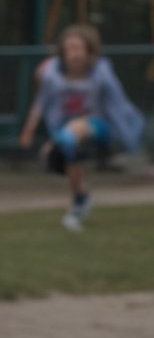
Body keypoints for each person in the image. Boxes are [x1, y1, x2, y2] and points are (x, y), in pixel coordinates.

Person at [19, 23, 145, 231]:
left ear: (88, 50)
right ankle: (80, 200)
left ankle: (104, 157)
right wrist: (28, 130)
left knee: (71, 133)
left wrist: (128, 135)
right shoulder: (53, 74)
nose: (74, 53)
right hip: (67, 129)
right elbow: (42, 101)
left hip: (100, 125)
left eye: (78, 48)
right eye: (69, 48)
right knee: (63, 151)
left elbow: (119, 103)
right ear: (62, 52)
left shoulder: (101, 72)